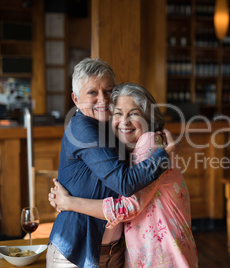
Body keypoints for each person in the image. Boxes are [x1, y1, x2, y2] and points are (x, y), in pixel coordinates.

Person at [49, 83, 198, 268]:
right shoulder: (135, 149)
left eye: (134, 113)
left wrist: (69, 202)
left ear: (148, 118)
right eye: (118, 113)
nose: (124, 121)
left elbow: (128, 207)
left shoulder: (149, 143)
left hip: (164, 258)